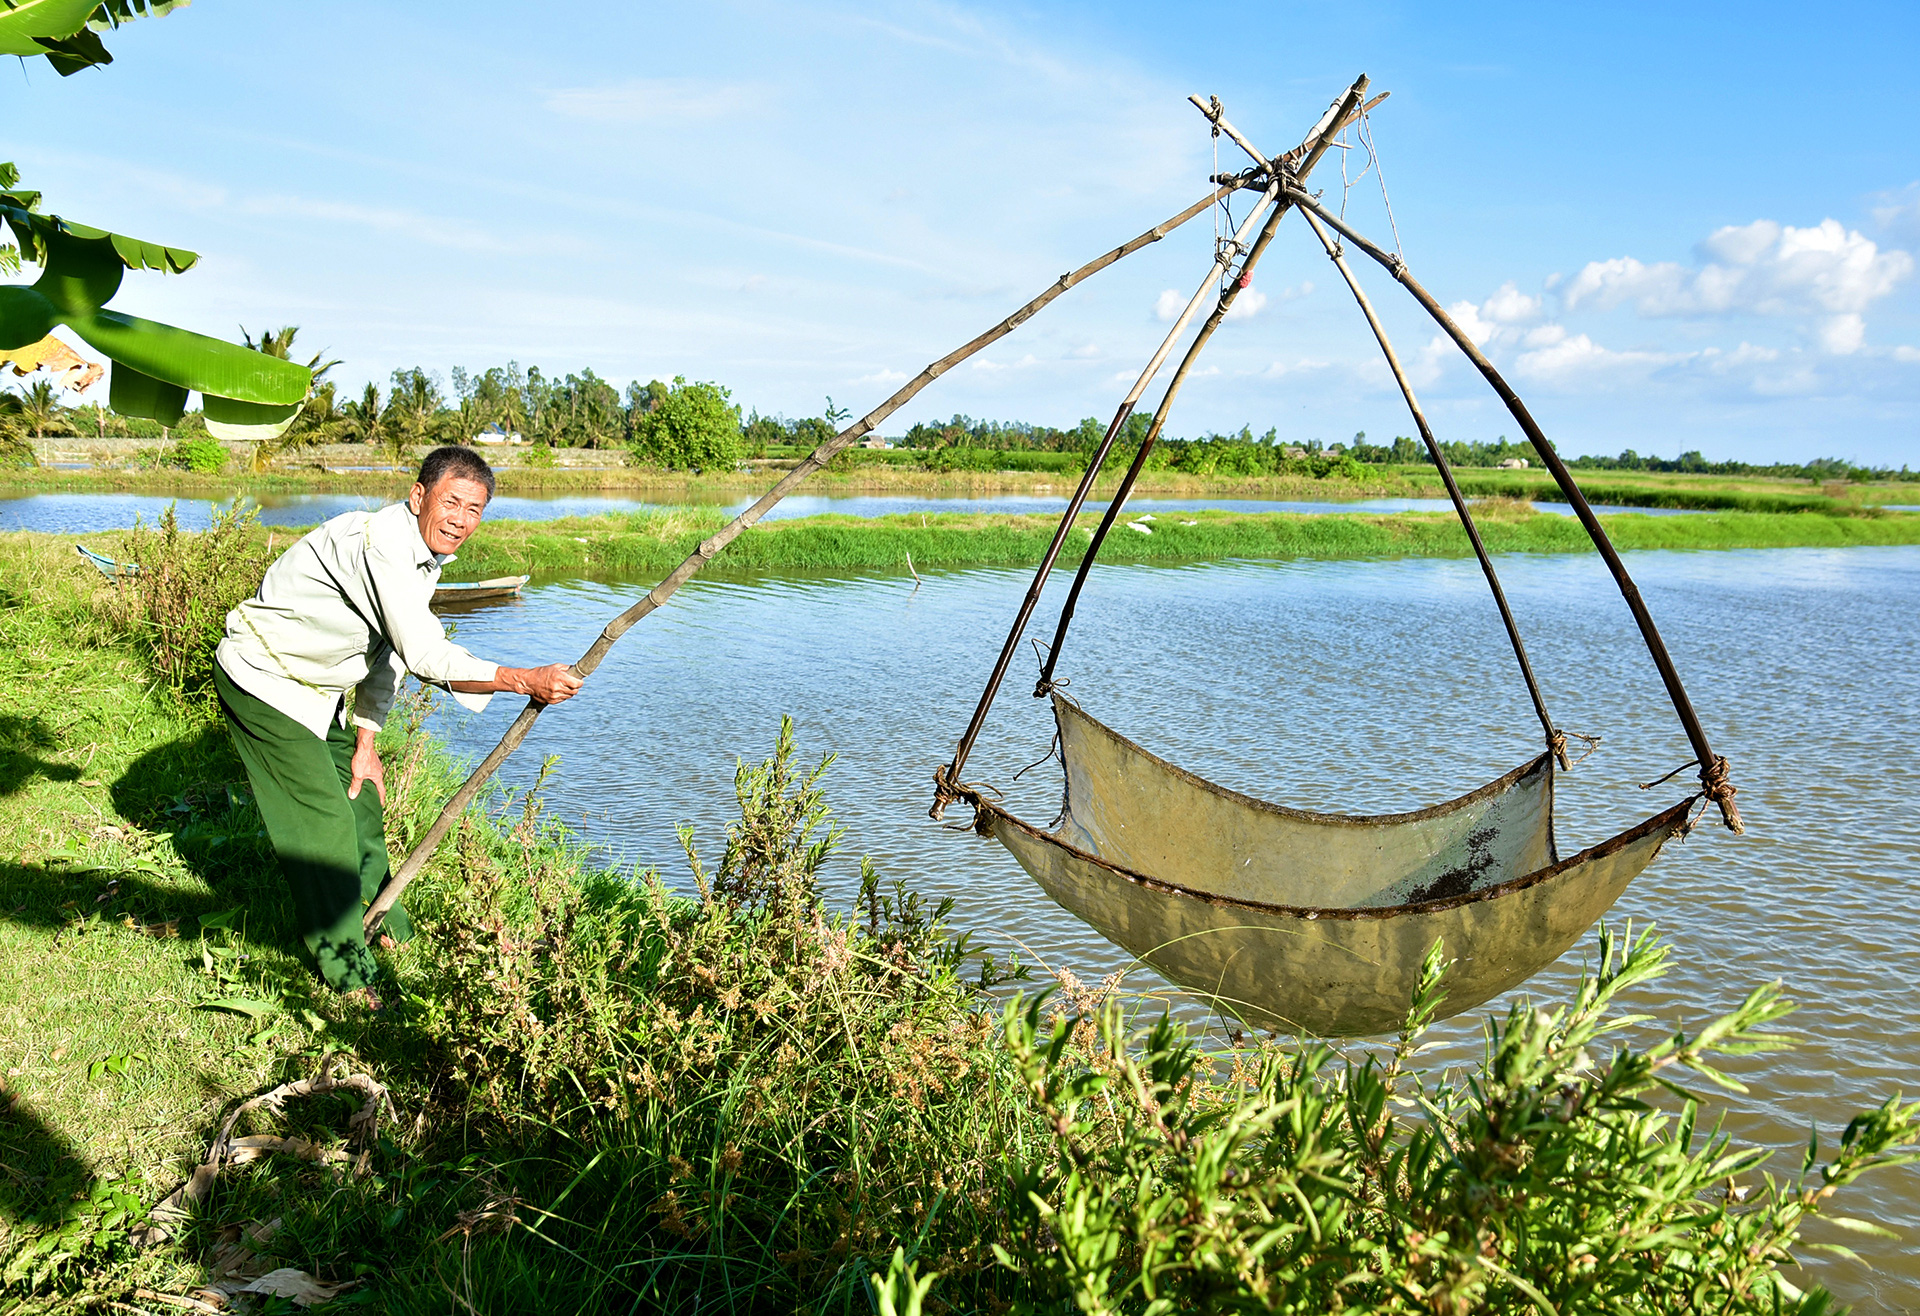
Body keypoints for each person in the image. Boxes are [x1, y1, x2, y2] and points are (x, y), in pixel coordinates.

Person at [213, 446, 581, 994]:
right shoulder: (383, 544)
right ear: (418, 497)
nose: (461, 519)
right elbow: (425, 654)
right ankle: (346, 970)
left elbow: (385, 654)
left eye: (475, 509)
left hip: (317, 690)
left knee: (361, 802)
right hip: (264, 678)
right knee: (323, 823)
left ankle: (387, 924)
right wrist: (523, 679)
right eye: (451, 502)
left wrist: (367, 739)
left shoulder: (422, 559)